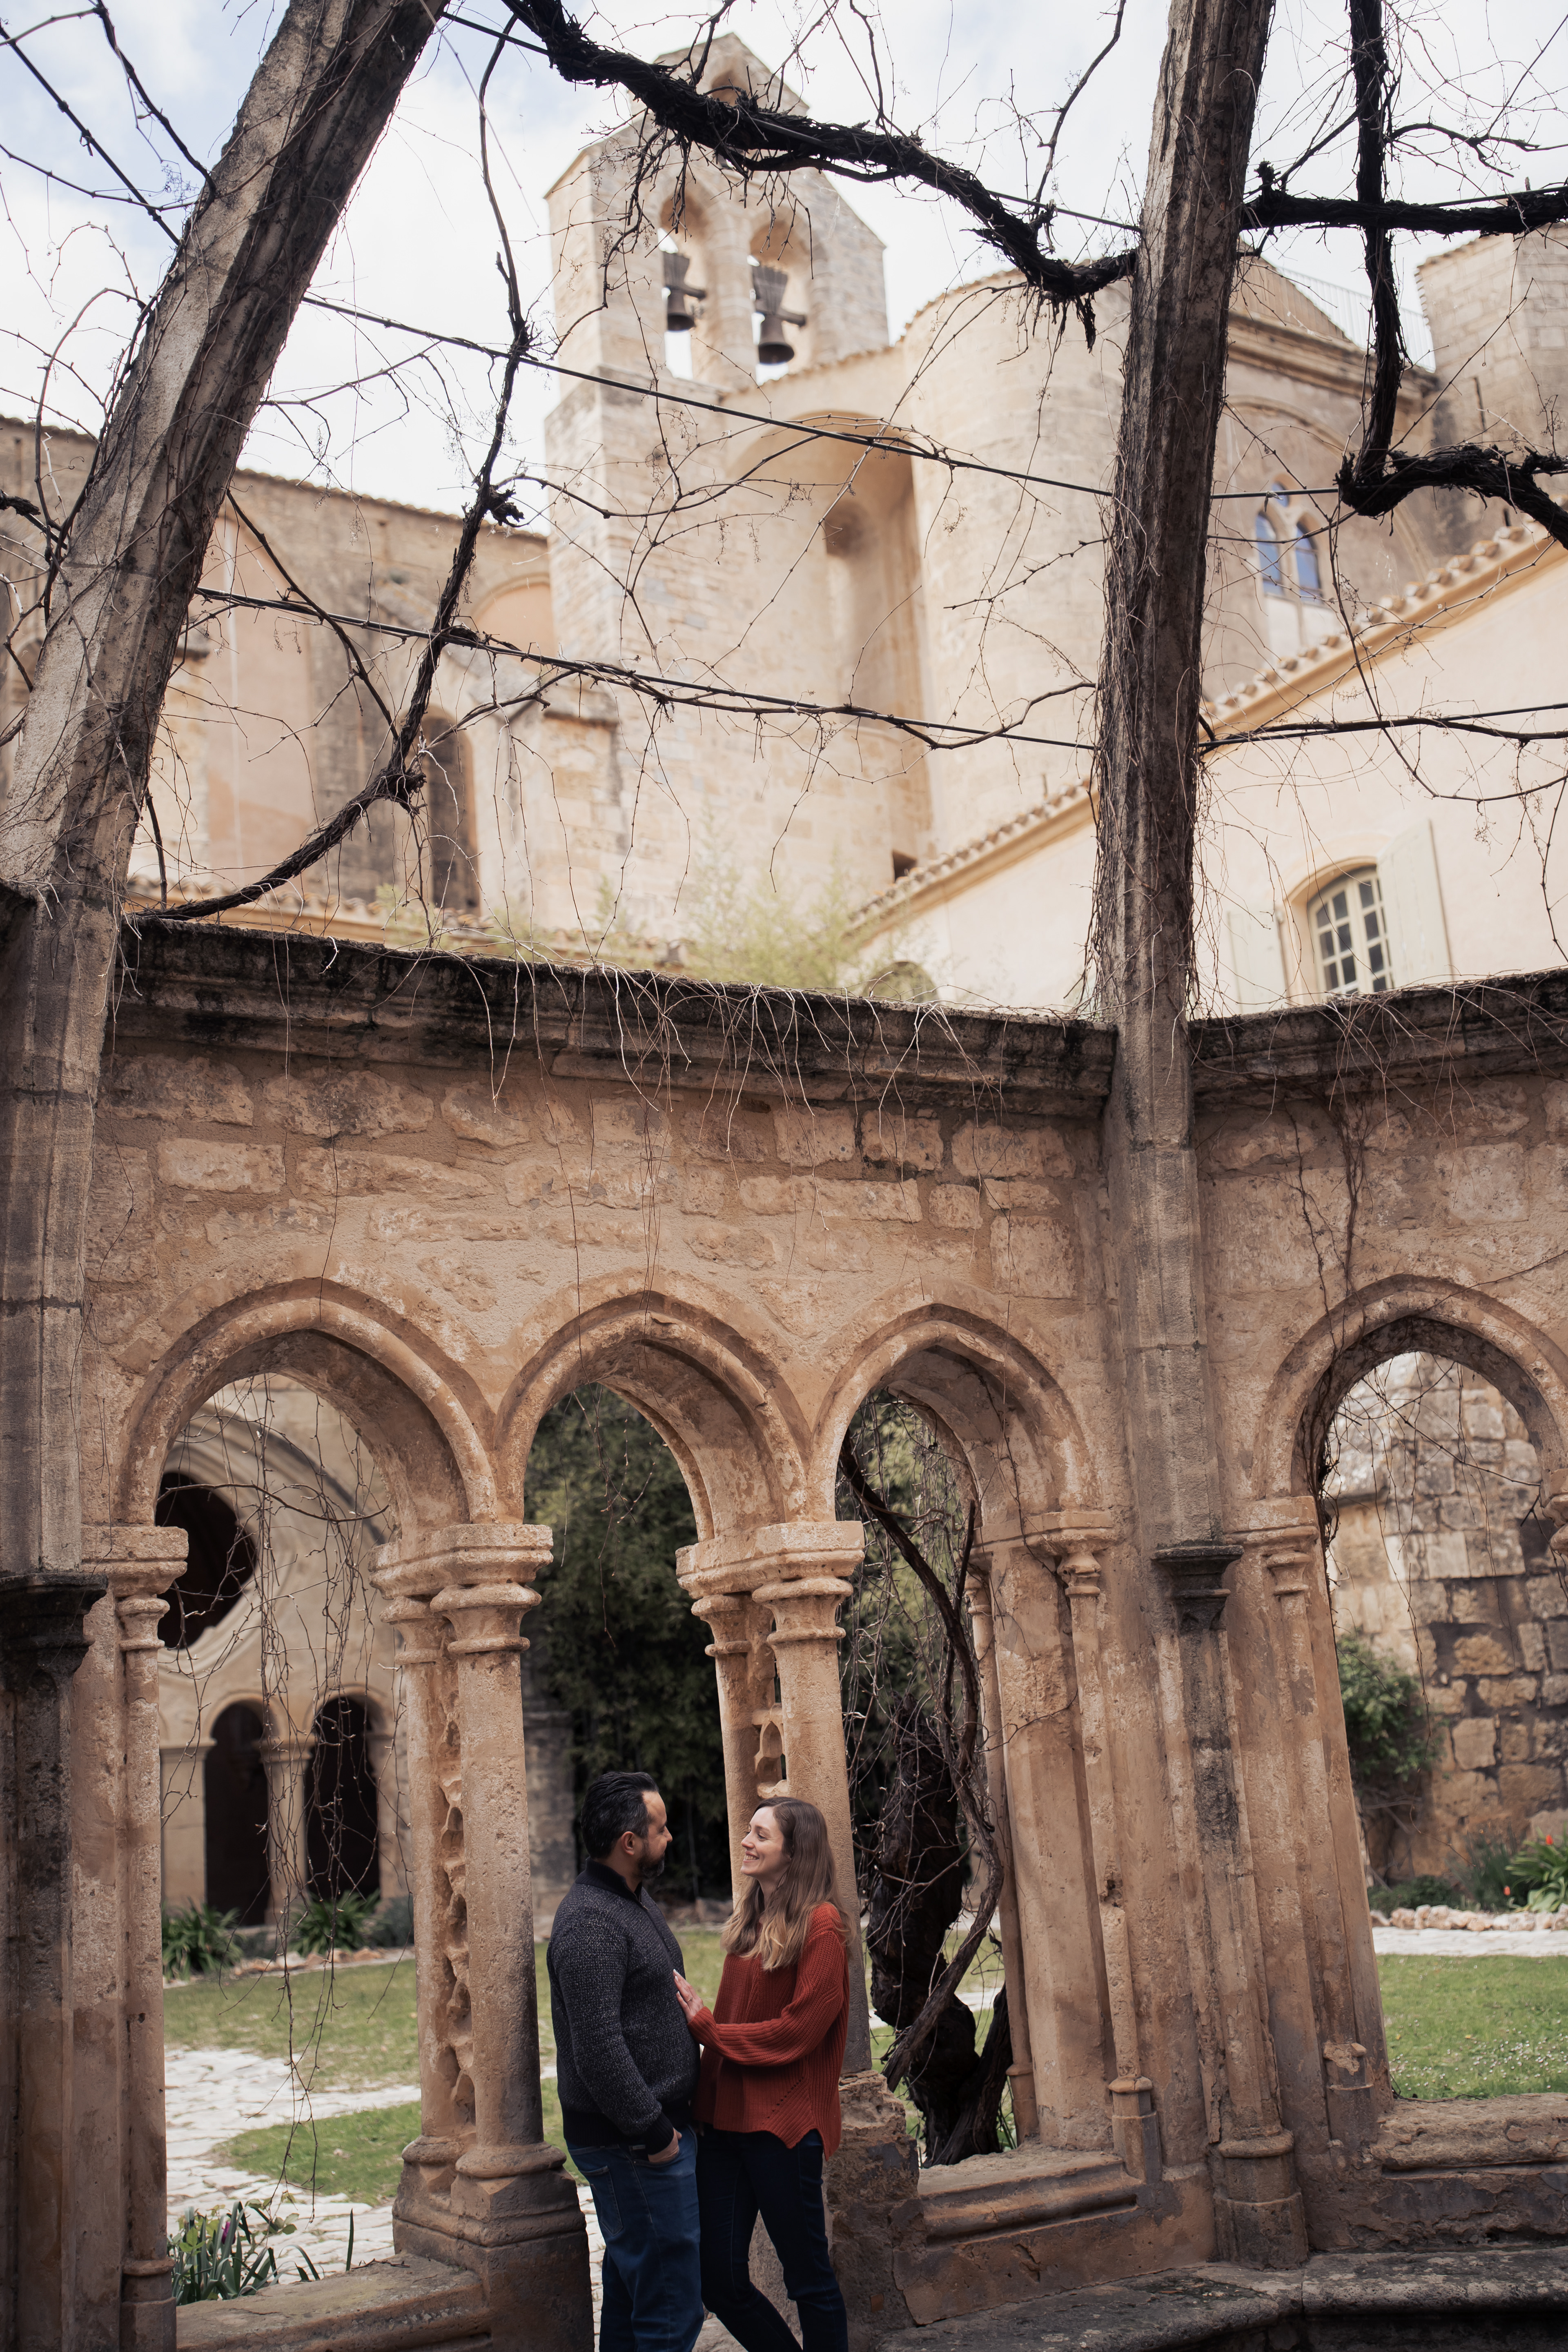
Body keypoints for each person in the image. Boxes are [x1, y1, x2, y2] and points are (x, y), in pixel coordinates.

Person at [673, 1797, 850, 2352]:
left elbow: (800, 2030)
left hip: (783, 2127)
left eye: (761, 1835)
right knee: (718, 2280)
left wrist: (709, 2030)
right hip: (725, 2126)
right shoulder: (751, 1919)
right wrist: (704, 2104)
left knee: (808, 2279)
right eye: (749, 1831)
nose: (746, 1842)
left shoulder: (823, 1926)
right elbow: (736, 2015)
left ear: (795, 1853)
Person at [547, 1771, 703, 2352]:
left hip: (648, 2138)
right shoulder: (591, 1923)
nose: (670, 1837)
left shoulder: (631, 1900)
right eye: (660, 1829)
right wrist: (655, 2133)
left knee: (634, 2304)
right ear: (629, 1842)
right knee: (671, 2313)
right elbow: (597, 2048)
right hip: (634, 2145)